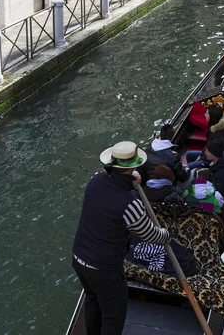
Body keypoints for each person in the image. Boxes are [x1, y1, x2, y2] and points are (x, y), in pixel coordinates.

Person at [72, 141, 169, 335]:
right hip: (104, 270)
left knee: (92, 303)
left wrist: (130, 184)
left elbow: (112, 189)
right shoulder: (130, 205)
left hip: (79, 259)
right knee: (113, 317)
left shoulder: (95, 180)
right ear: (134, 166)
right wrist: (167, 234)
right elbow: (151, 235)